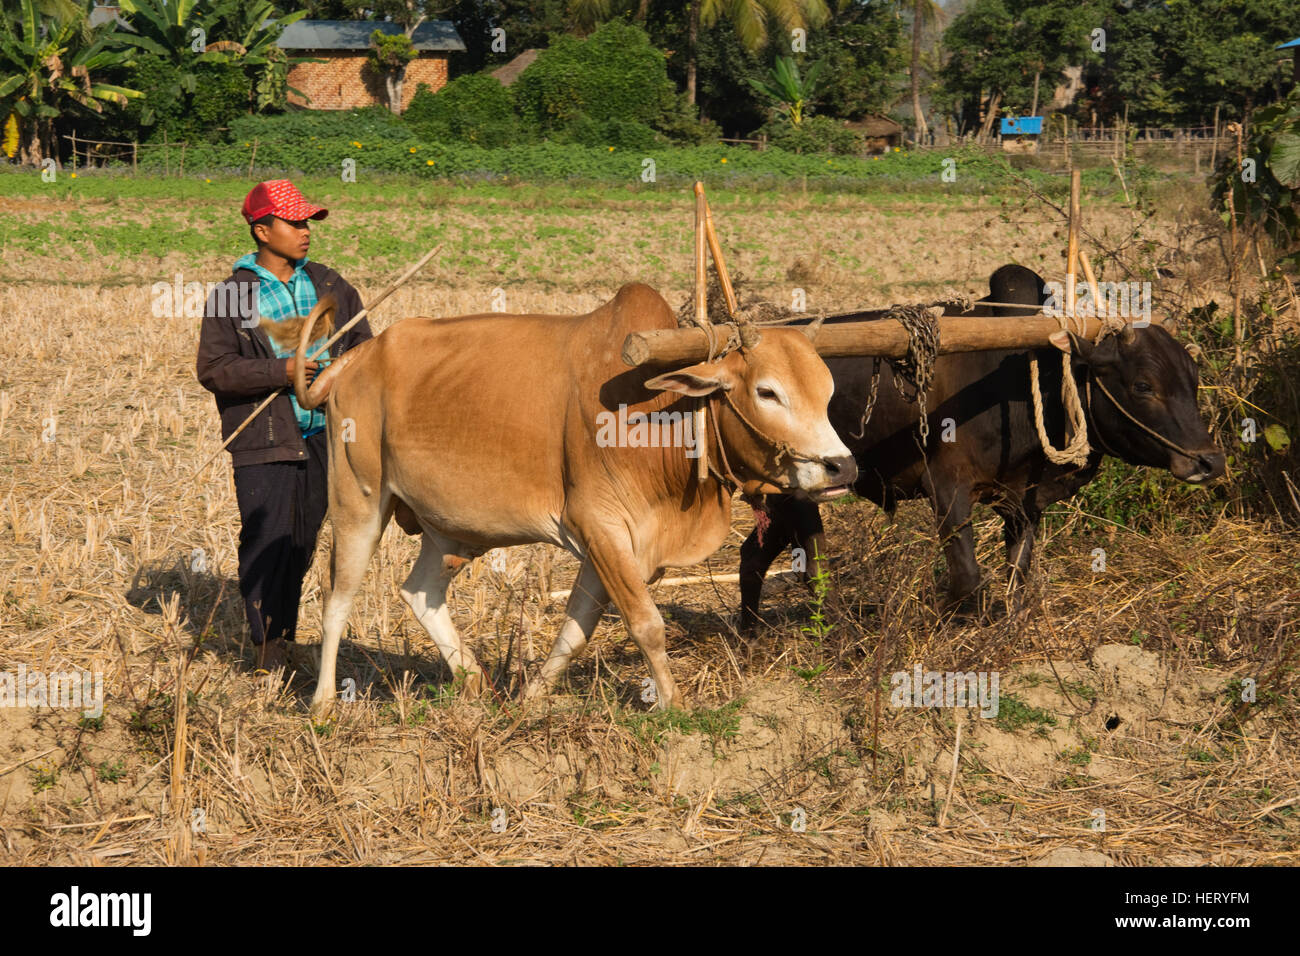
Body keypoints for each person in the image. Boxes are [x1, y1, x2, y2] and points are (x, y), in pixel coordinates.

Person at [196, 180, 372, 673]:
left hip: (324, 435)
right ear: (261, 230)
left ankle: (285, 642)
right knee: (266, 540)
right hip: (266, 438)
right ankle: (267, 653)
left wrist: (340, 368)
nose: (305, 231)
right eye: (293, 223)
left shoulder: (330, 284)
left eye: (308, 221)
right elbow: (215, 369)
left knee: (300, 541)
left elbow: (364, 346)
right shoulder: (233, 295)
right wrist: (284, 371)